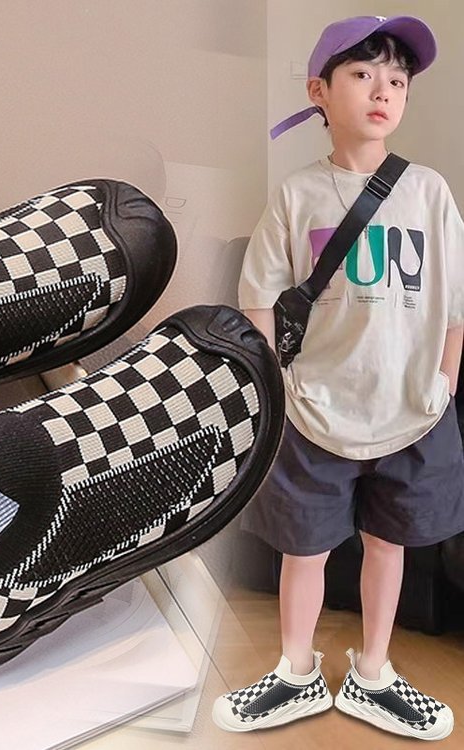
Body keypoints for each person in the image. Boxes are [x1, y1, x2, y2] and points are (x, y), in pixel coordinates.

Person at [212, 15, 464, 741]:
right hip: (314, 411)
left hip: (412, 411)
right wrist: (277, 388)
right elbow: (258, 298)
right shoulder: (297, 195)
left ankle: (373, 674)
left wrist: (445, 384)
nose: (382, 91)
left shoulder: (430, 192)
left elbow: (454, 306)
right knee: (305, 549)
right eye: (362, 74)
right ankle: (294, 672)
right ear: (319, 91)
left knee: (390, 544)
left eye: (397, 80)